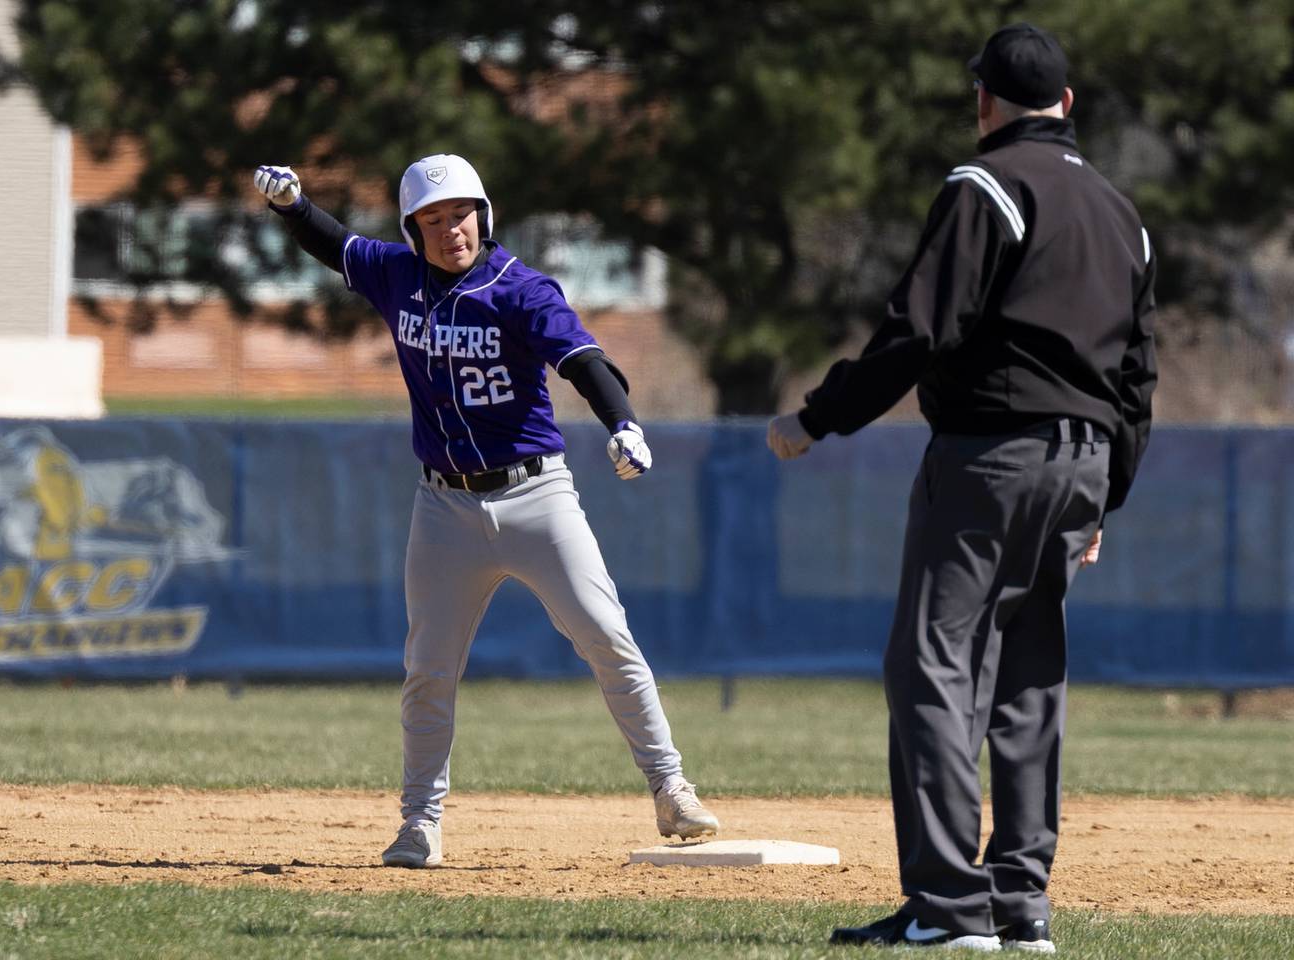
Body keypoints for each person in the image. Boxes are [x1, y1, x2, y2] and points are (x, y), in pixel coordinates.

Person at [767, 23, 1158, 953]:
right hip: (1082, 463)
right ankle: (1019, 902)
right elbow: (1139, 376)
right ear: (1067, 104)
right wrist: (1107, 496)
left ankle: (948, 908)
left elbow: (918, 331)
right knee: (1028, 676)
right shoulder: (1119, 211)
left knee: (933, 670)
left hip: (992, 456)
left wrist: (820, 416)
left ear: (982, 100)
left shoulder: (984, 186)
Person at [253, 153, 719, 869]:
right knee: (429, 669)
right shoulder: (398, 276)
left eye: (461, 213)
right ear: (413, 230)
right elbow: (334, 243)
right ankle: (420, 823)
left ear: (485, 215)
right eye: (432, 220)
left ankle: (671, 788)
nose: (451, 231)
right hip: (443, 508)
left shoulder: (521, 290)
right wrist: (291, 206)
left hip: (536, 495)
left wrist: (623, 420)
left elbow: (582, 359)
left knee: (607, 638)